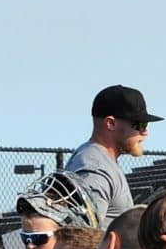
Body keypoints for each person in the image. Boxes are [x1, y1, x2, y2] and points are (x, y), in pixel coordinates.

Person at [66, 85, 159, 223]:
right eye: (139, 124)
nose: (145, 132)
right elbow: (83, 237)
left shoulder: (98, 159)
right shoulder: (95, 169)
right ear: (110, 123)